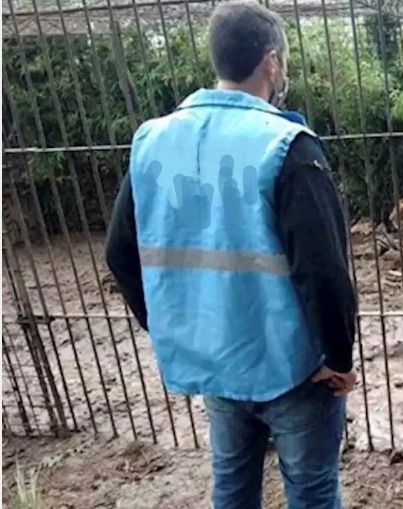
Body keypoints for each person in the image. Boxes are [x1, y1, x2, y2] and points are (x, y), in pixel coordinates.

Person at [105, 2, 357, 508]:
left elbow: (119, 253)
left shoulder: (153, 140)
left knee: (232, 488)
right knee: (312, 493)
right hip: (294, 370)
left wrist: (178, 330)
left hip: (216, 363)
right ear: (272, 63)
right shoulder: (288, 145)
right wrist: (338, 357)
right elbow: (323, 270)